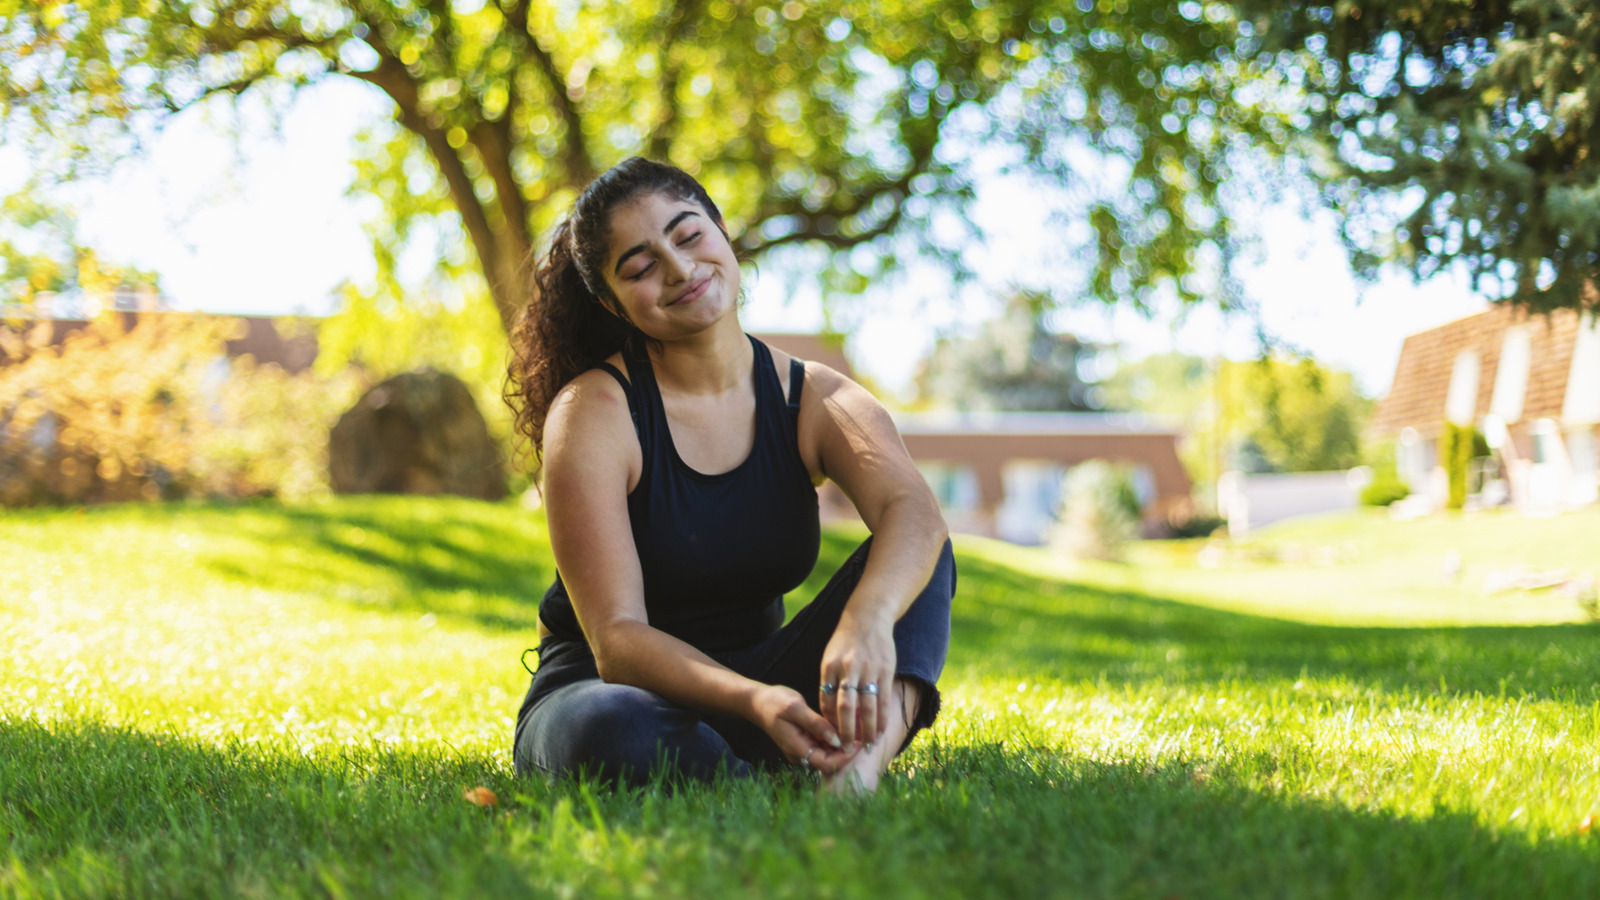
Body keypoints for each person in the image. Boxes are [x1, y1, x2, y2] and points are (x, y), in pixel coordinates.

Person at [504, 157, 954, 792]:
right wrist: (755, 702)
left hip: (766, 689)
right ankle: (755, 771)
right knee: (612, 726)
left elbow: (914, 510)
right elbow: (618, 640)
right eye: (640, 266)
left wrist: (869, 619)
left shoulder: (816, 398)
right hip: (613, 692)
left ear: (722, 231)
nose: (680, 270)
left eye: (688, 236)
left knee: (924, 550)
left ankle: (852, 776)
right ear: (612, 302)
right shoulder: (594, 411)